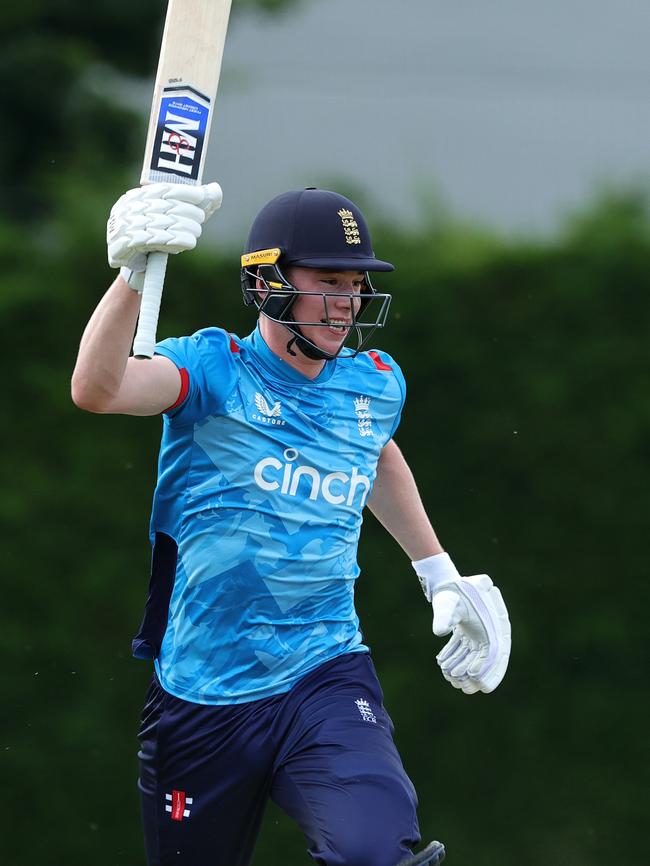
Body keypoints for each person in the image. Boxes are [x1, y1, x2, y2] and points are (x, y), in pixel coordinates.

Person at [71, 183, 511, 866]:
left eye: (356, 284)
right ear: (267, 282)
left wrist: (437, 571)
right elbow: (97, 390)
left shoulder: (375, 382)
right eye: (328, 282)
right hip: (200, 694)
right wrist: (132, 274)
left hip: (324, 675)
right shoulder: (211, 369)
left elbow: (375, 452)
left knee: (376, 855)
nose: (349, 303)